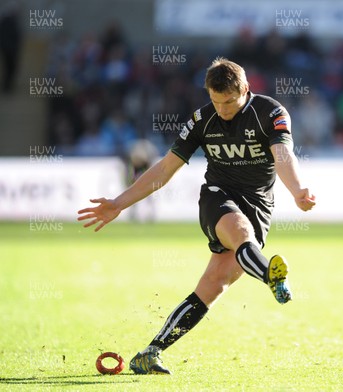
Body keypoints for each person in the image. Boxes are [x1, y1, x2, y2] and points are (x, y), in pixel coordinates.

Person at [77, 57, 316, 374]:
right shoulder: (202, 120)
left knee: (214, 284)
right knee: (240, 233)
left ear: (245, 89)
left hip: (259, 205)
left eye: (229, 101)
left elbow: (283, 156)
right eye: (216, 102)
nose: (223, 110)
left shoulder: (269, 113)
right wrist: (120, 203)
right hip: (218, 198)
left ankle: (150, 352)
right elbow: (165, 169)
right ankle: (271, 276)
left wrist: (298, 190)